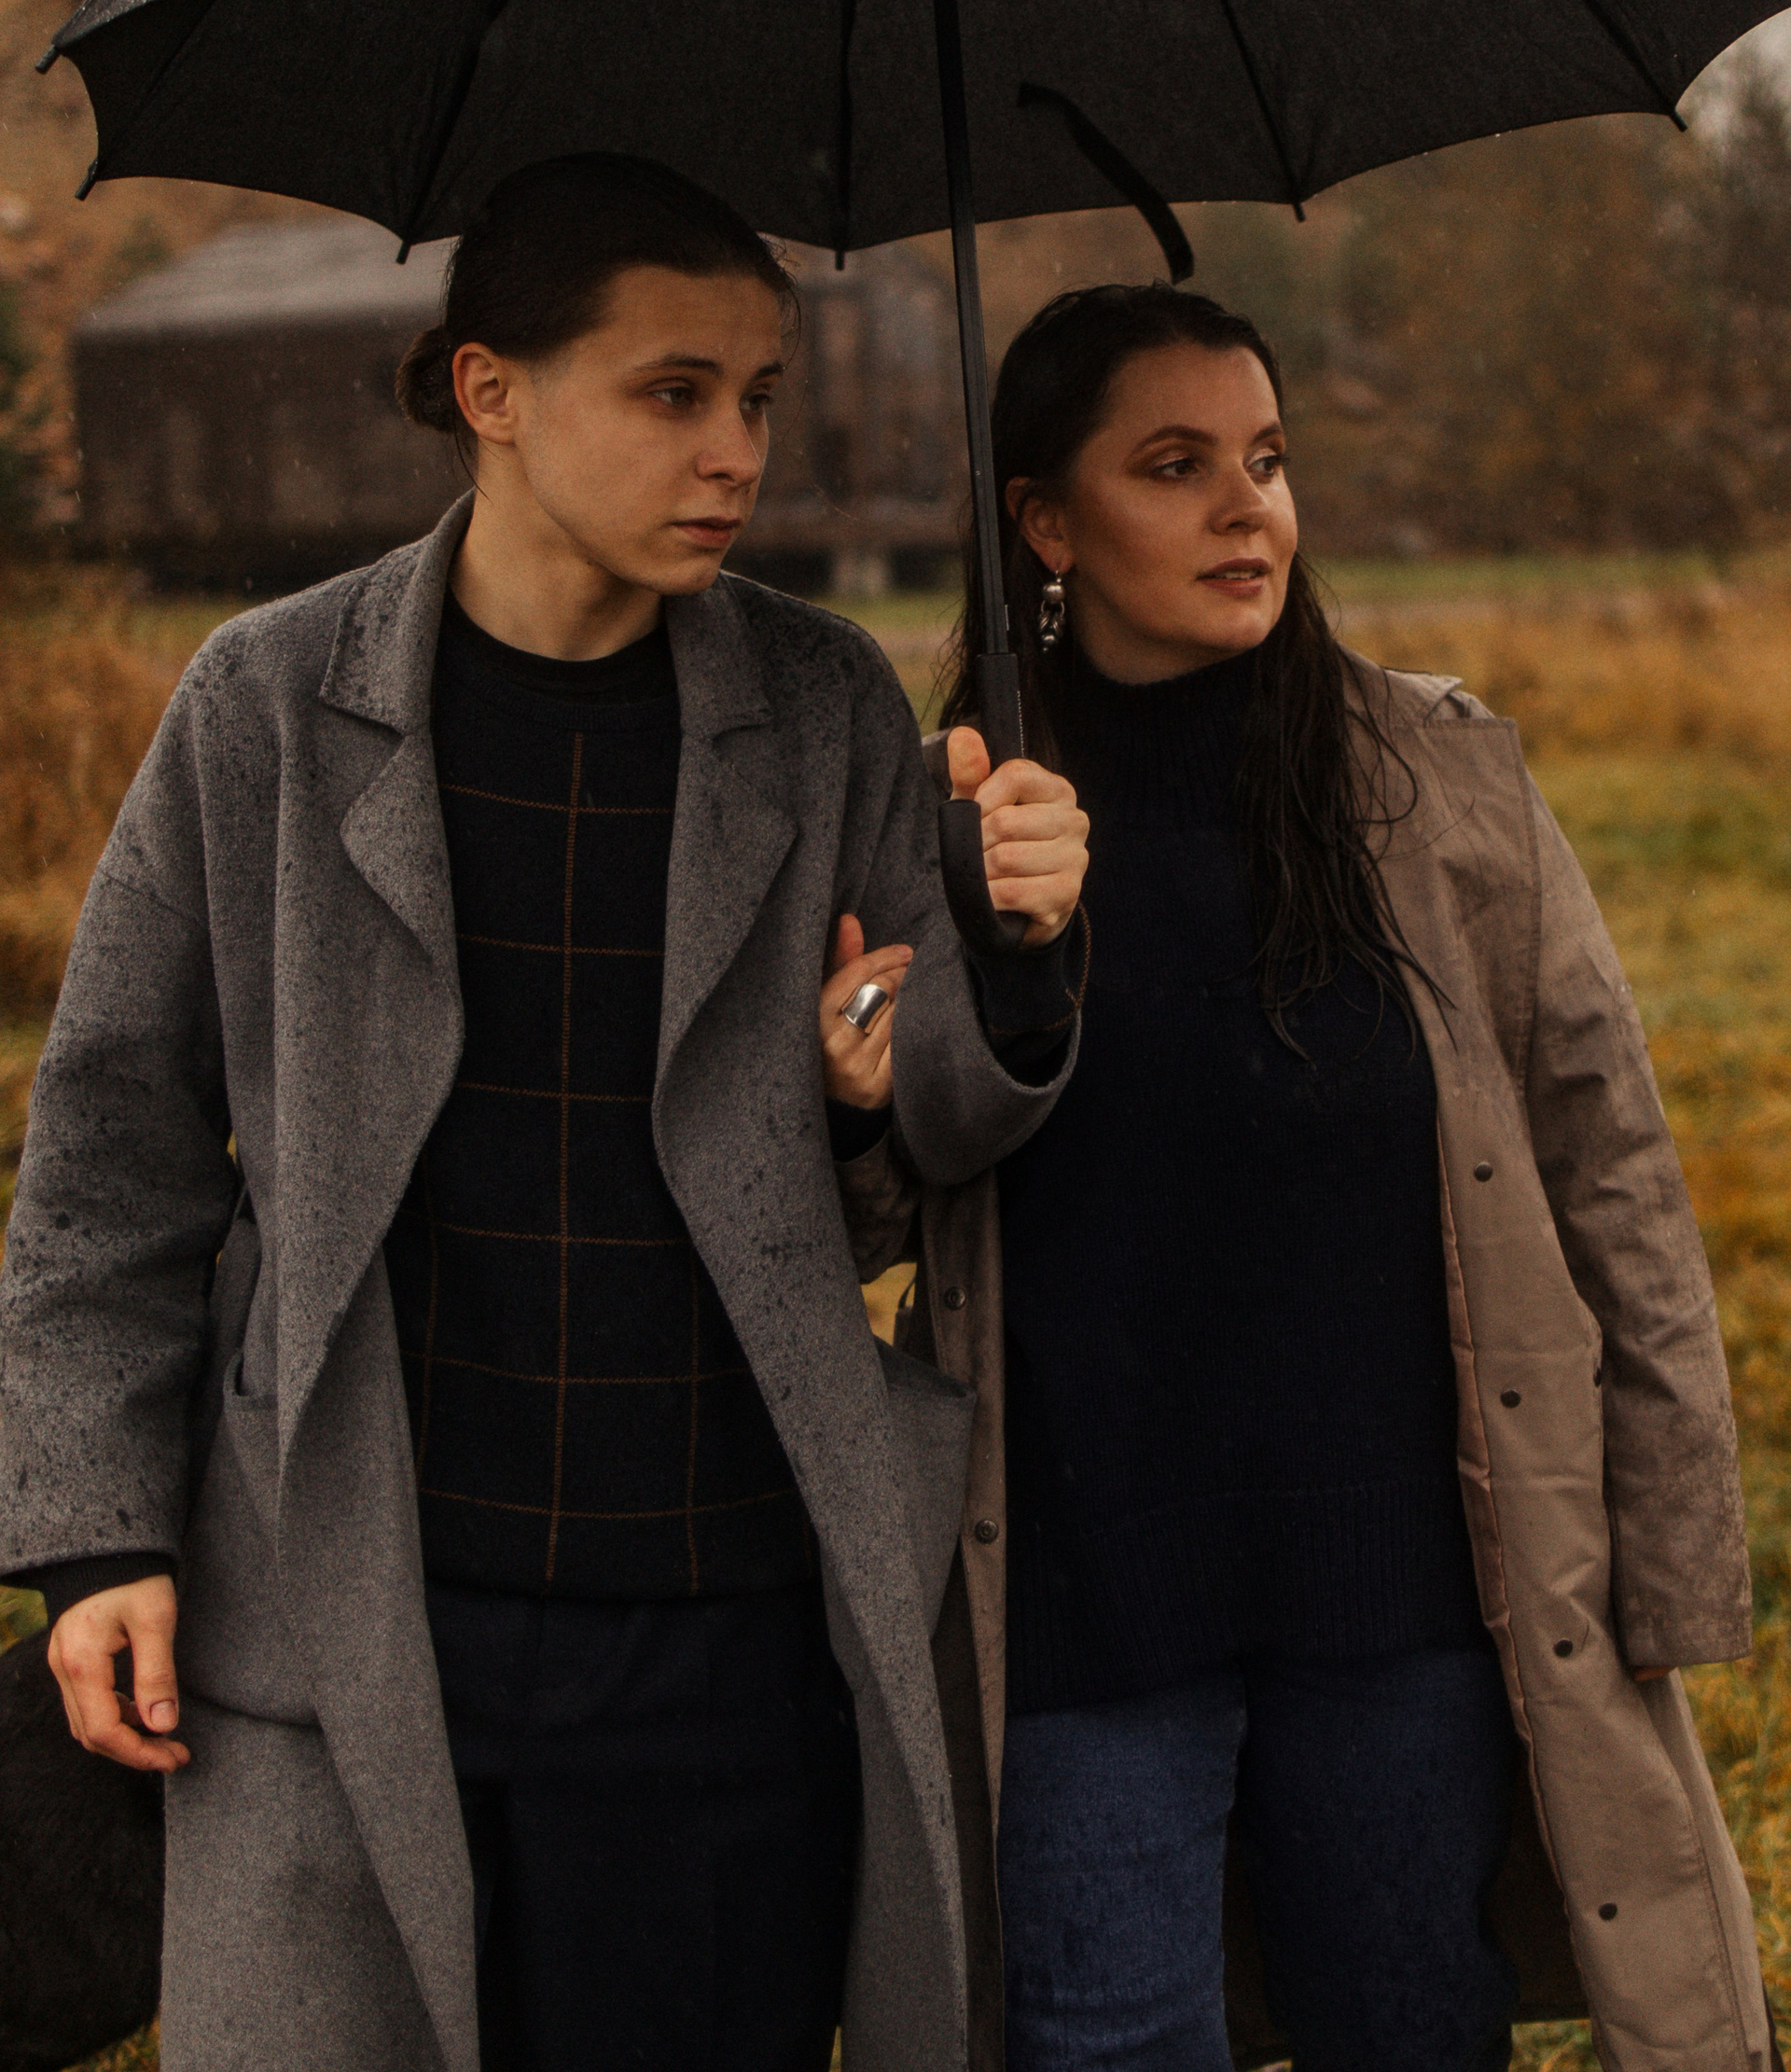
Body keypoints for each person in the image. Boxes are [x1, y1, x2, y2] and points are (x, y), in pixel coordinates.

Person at [0, 154, 1090, 2072]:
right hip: (351, 1613)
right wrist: (96, 1538)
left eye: (758, 395)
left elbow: (928, 1143)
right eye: (674, 392)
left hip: (721, 1631)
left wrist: (1006, 949)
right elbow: (111, 1164)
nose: (737, 451)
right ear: (489, 389)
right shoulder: (266, 706)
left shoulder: (824, 706)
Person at [855, 280, 1774, 2072]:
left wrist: (1668, 1552)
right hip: (1081, 1608)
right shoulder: (943, 819)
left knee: (1411, 2028)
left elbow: (1611, 1178)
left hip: (1406, 1600)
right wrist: (979, 959)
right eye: (1175, 466)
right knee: (1099, 2041)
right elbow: (863, 1207)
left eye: (1267, 460)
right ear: (1045, 522)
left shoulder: (1438, 780)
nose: (1247, 510)